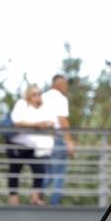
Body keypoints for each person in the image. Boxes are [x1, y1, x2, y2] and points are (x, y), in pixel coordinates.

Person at [7, 85, 54, 206]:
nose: (37, 96)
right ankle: (13, 201)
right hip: (18, 143)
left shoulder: (43, 109)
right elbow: (17, 122)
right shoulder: (22, 104)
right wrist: (36, 124)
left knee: (39, 169)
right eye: (34, 94)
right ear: (28, 95)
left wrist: (45, 124)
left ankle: (35, 197)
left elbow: (51, 122)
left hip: (36, 147)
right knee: (14, 171)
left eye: (39, 94)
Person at [41, 74, 76, 205]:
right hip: (57, 139)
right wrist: (69, 142)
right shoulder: (60, 98)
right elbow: (62, 121)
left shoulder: (43, 97)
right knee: (58, 176)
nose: (66, 87)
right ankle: (54, 207)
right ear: (59, 84)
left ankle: (36, 200)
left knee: (47, 175)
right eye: (65, 84)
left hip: (43, 140)